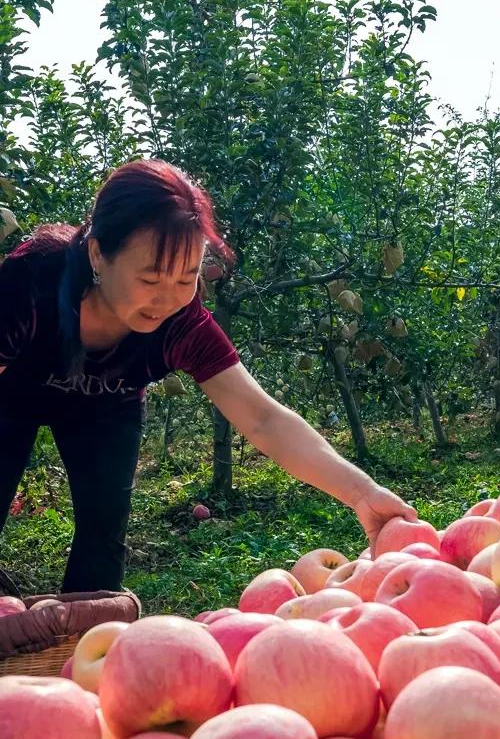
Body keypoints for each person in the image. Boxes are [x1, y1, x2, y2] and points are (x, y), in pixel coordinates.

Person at [0, 158, 418, 593]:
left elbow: (263, 419)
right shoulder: (32, 285)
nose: (167, 300)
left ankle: (77, 649)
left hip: (105, 407)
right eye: (151, 278)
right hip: (8, 398)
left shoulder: (182, 324)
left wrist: (362, 492)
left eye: (186, 278)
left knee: (103, 538)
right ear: (97, 254)